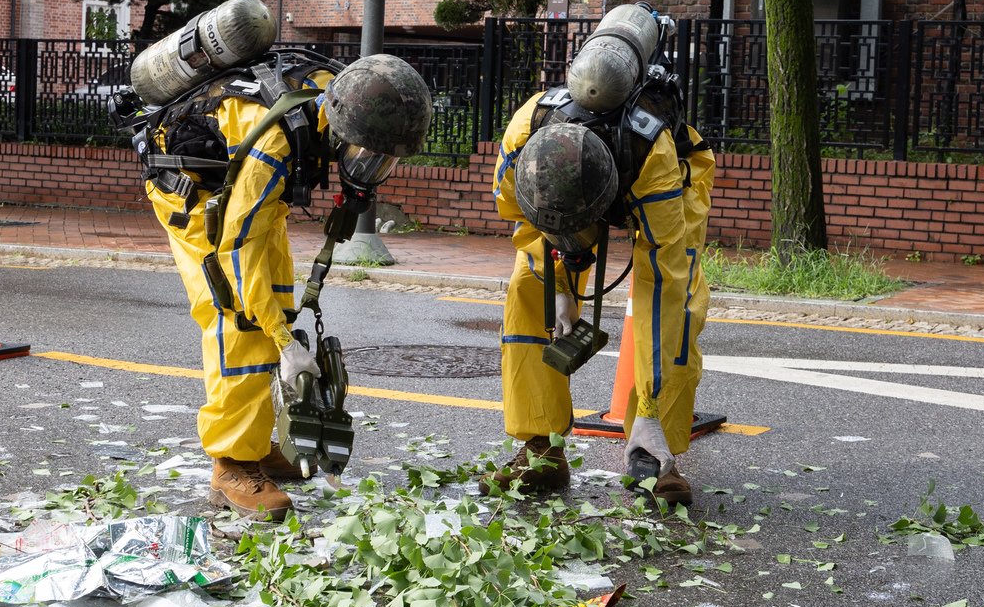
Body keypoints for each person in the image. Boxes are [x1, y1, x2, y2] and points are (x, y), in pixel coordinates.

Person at [124, 44, 431, 520]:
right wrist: (285, 343)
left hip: (241, 191)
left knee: (277, 297)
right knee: (240, 319)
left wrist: (282, 325)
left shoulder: (338, 96)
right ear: (345, 129)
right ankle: (231, 465)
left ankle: (254, 442)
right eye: (367, 156)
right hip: (194, 193)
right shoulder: (275, 144)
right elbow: (235, 247)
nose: (370, 169)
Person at [481, 73, 715, 506]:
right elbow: (522, 216)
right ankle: (541, 450)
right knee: (527, 289)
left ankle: (655, 445)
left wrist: (649, 408)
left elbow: (664, 285)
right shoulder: (523, 137)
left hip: (666, 181)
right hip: (563, 194)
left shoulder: (654, 162)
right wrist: (560, 287)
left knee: (675, 311)